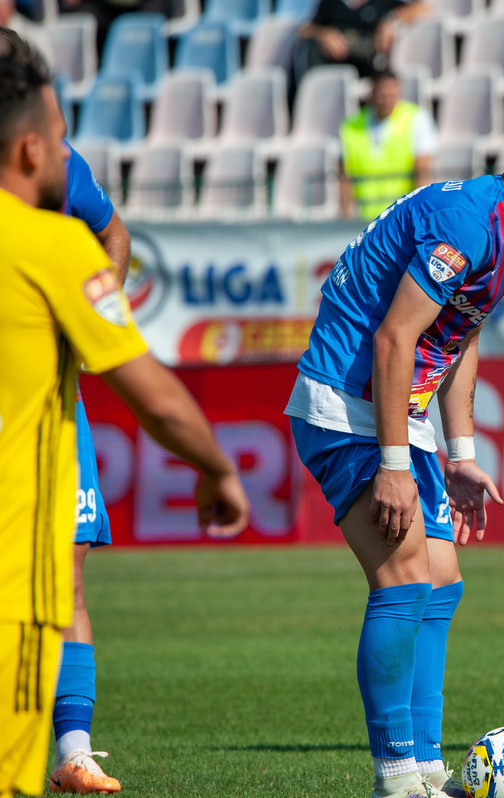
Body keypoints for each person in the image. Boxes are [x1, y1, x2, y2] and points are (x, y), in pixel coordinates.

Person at [284, 84, 504, 798]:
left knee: (442, 580)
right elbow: (395, 336)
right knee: (401, 579)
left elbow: (460, 340)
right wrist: (397, 465)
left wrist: (460, 456)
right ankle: (396, 777)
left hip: (402, 410)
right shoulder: (468, 218)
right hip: (348, 402)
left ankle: (428, 767)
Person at [0, 31, 250, 798]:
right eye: (62, 137)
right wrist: (217, 470)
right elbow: (157, 396)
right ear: (36, 153)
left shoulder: (73, 234)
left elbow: (115, 231)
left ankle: (73, 748)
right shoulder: (50, 250)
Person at [47, 141, 135, 795]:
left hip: (51, 397)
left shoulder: (57, 159)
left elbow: (114, 233)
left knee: (69, 571)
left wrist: (91, 321)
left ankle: (74, 753)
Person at [340, 69, 437, 222]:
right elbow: (345, 177)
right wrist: (344, 219)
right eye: (382, 95)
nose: (387, 100)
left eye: (392, 94)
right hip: (365, 220)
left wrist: (418, 218)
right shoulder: (351, 126)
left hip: (402, 218)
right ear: (372, 93)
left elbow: (422, 173)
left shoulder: (417, 119)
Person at [294, 0, 428, 87]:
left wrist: (391, 19)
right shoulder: (332, 3)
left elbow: (423, 9)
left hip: (369, 62)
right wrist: (325, 34)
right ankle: (309, 93)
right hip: (332, 63)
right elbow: (304, 30)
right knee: (308, 47)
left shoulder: (382, 3)